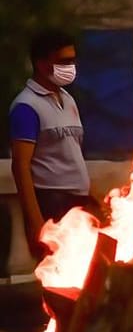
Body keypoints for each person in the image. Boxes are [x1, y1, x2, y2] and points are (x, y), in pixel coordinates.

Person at [10, 30, 97, 259]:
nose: (70, 67)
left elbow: (72, 153)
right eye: (63, 61)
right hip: (51, 202)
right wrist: (38, 223)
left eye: (72, 60)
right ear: (41, 64)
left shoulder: (68, 100)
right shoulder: (26, 107)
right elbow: (20, 167)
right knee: (58, 276)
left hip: (78, 202)